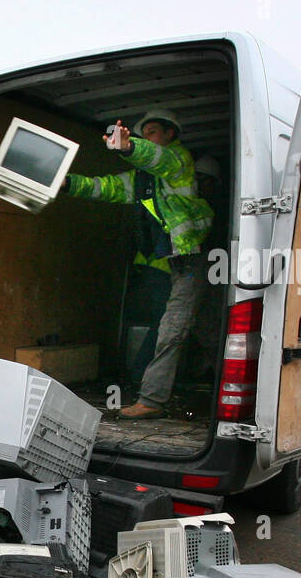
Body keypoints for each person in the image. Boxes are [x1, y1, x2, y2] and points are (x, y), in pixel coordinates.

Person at [59, 109, 213, 419]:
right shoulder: (143, 179)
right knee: (204, 327)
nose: (146, 138)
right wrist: (67, 184)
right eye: (144, 134)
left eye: (153, 131)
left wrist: (129, 147)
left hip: (191, 259)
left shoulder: (178, 161)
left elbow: (156, 157)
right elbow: (105, 187)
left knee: (171, 330)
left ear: (170, 135)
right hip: (175, 264)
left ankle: (152, 401)